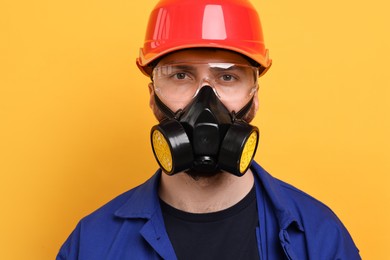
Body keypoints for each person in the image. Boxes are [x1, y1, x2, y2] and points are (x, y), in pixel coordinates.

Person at [57, 0, 361, 259]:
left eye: (227, 77)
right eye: (180, 75)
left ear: (254, 99)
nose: (205, 101)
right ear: (153, 96)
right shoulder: (93, 244)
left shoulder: (318, 237)